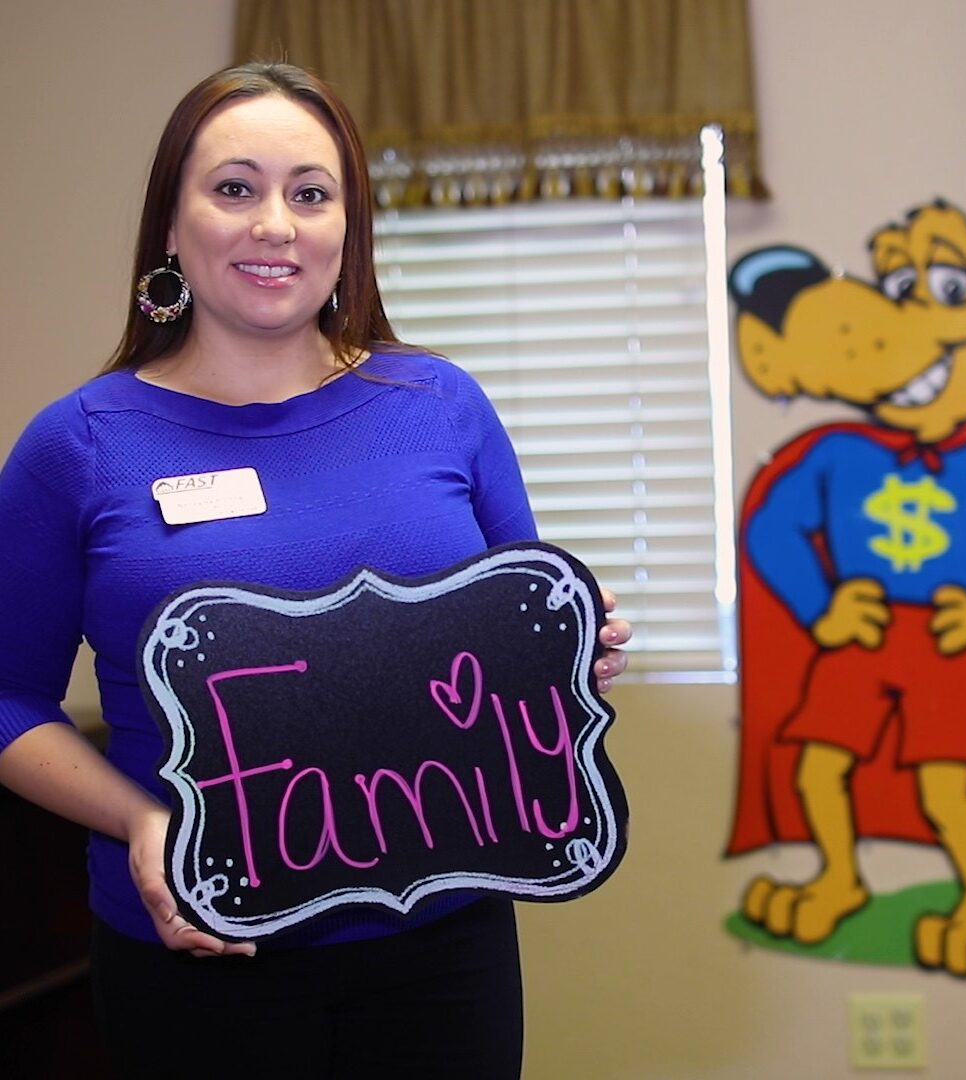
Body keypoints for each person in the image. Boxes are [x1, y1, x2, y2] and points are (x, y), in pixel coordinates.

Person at [0, 62, 630, 1078]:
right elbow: (7, 700)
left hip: (443, 950)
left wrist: (575, 662)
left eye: (311, 193)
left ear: (349, 227)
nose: (275, 226)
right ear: (171, 223)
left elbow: (520, 646)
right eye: (235, 188)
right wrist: (144, 820)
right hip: (200, 954)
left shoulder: (440, 405)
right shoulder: (76, 445)